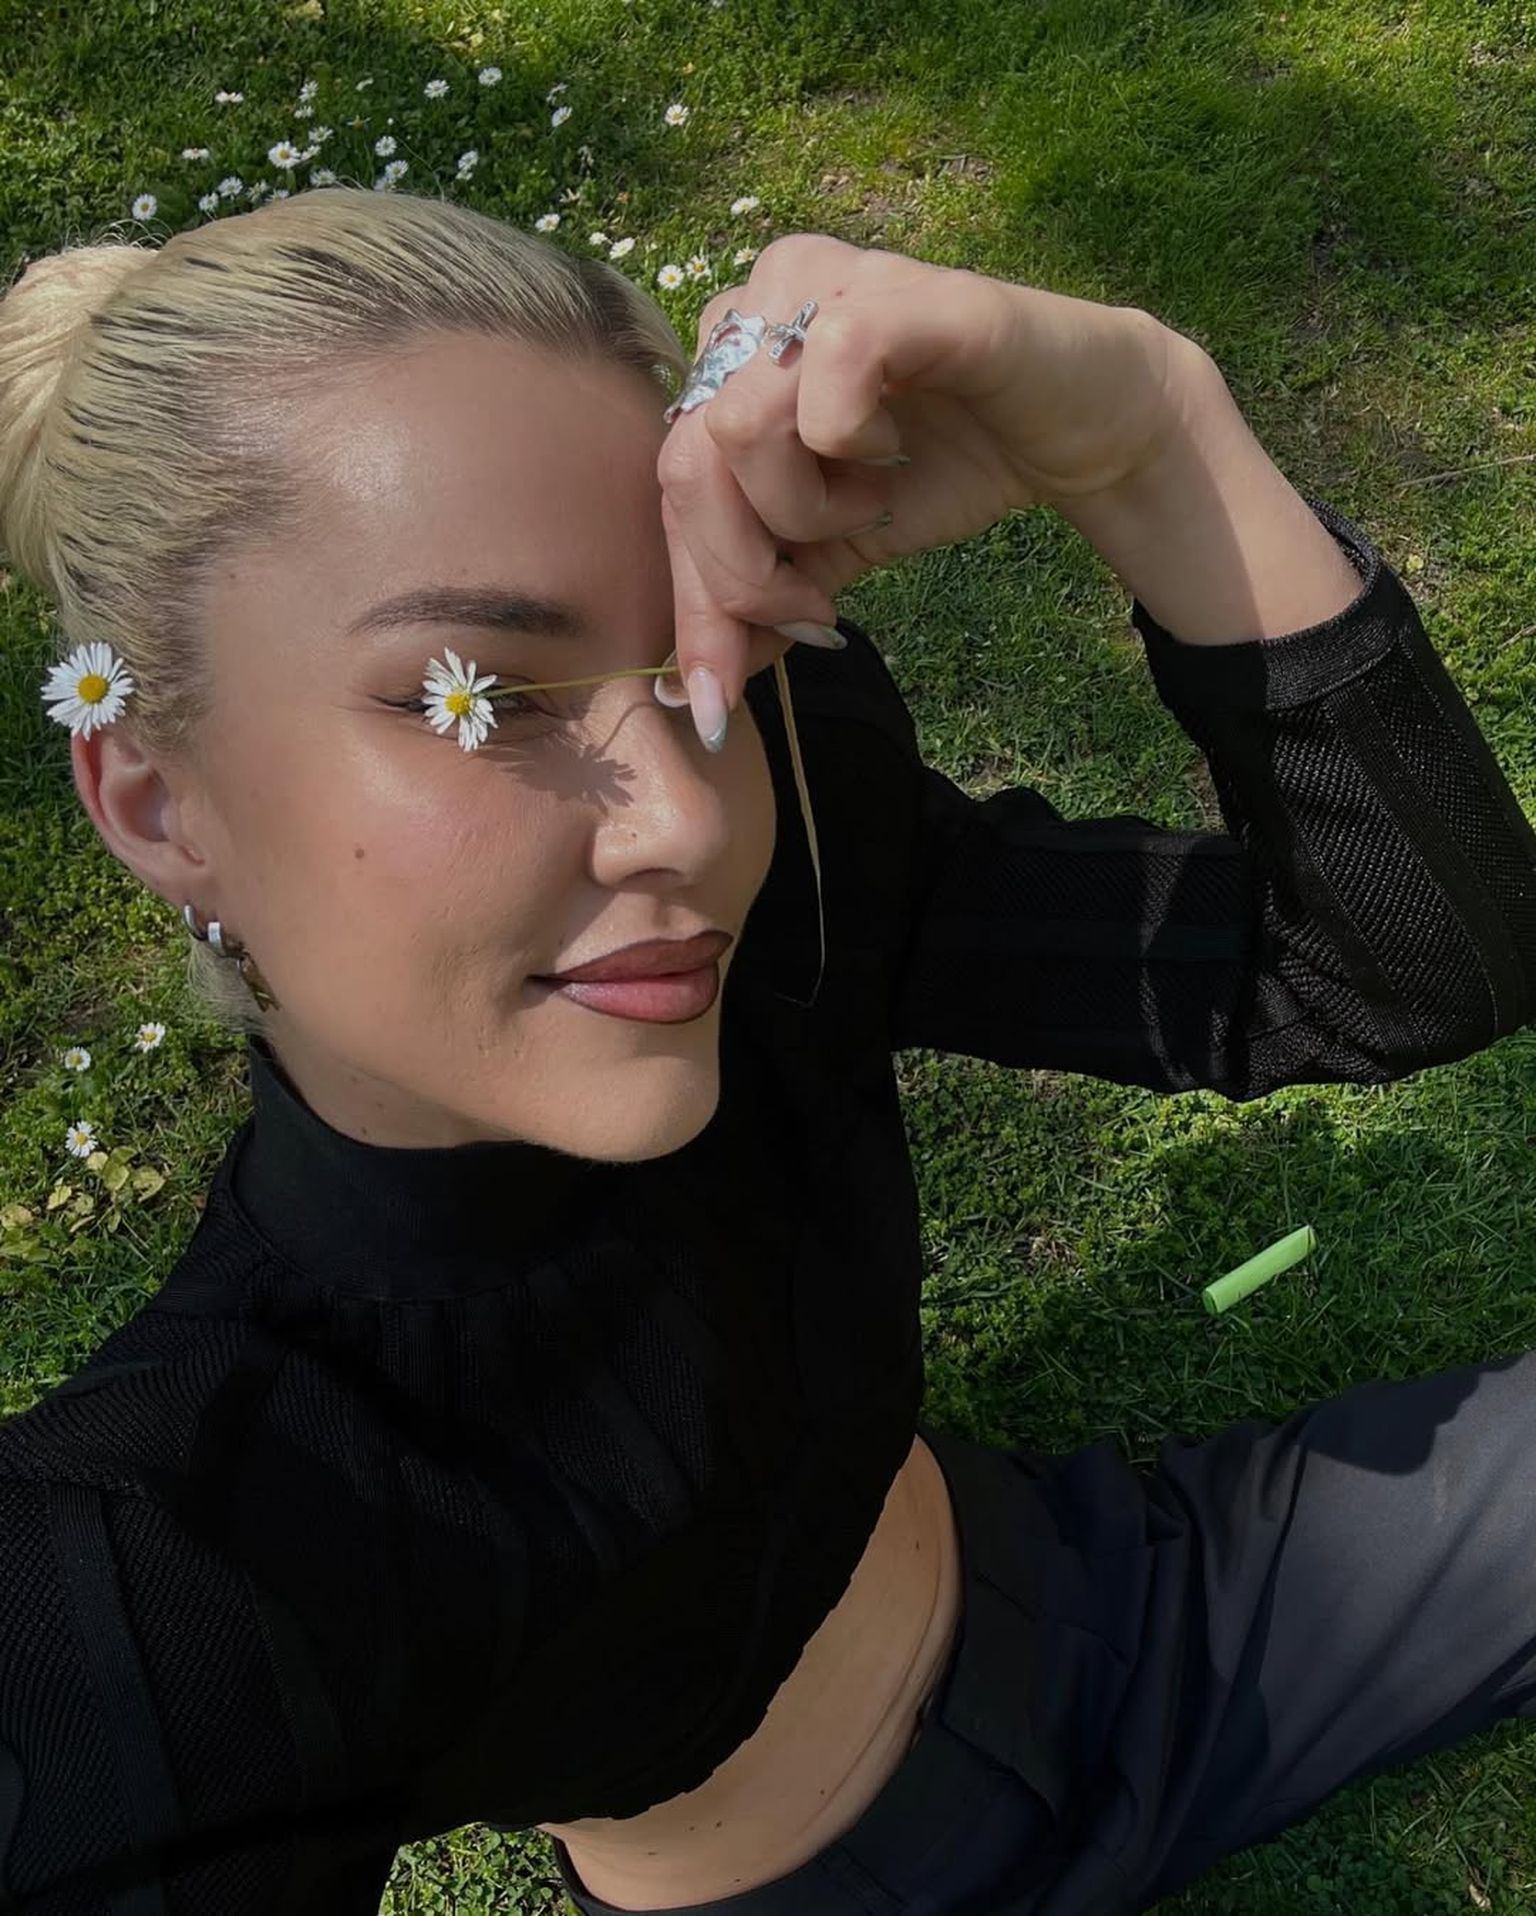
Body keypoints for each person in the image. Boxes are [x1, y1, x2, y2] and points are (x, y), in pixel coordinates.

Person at [0, 190, 1532, 1916]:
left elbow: (1392, 968)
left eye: (691, 666)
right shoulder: (175, 1554)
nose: (682, 818)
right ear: (158, 798)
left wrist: (1153, 437)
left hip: (1145, 1600)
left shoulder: (792, 870)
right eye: (477, 697)